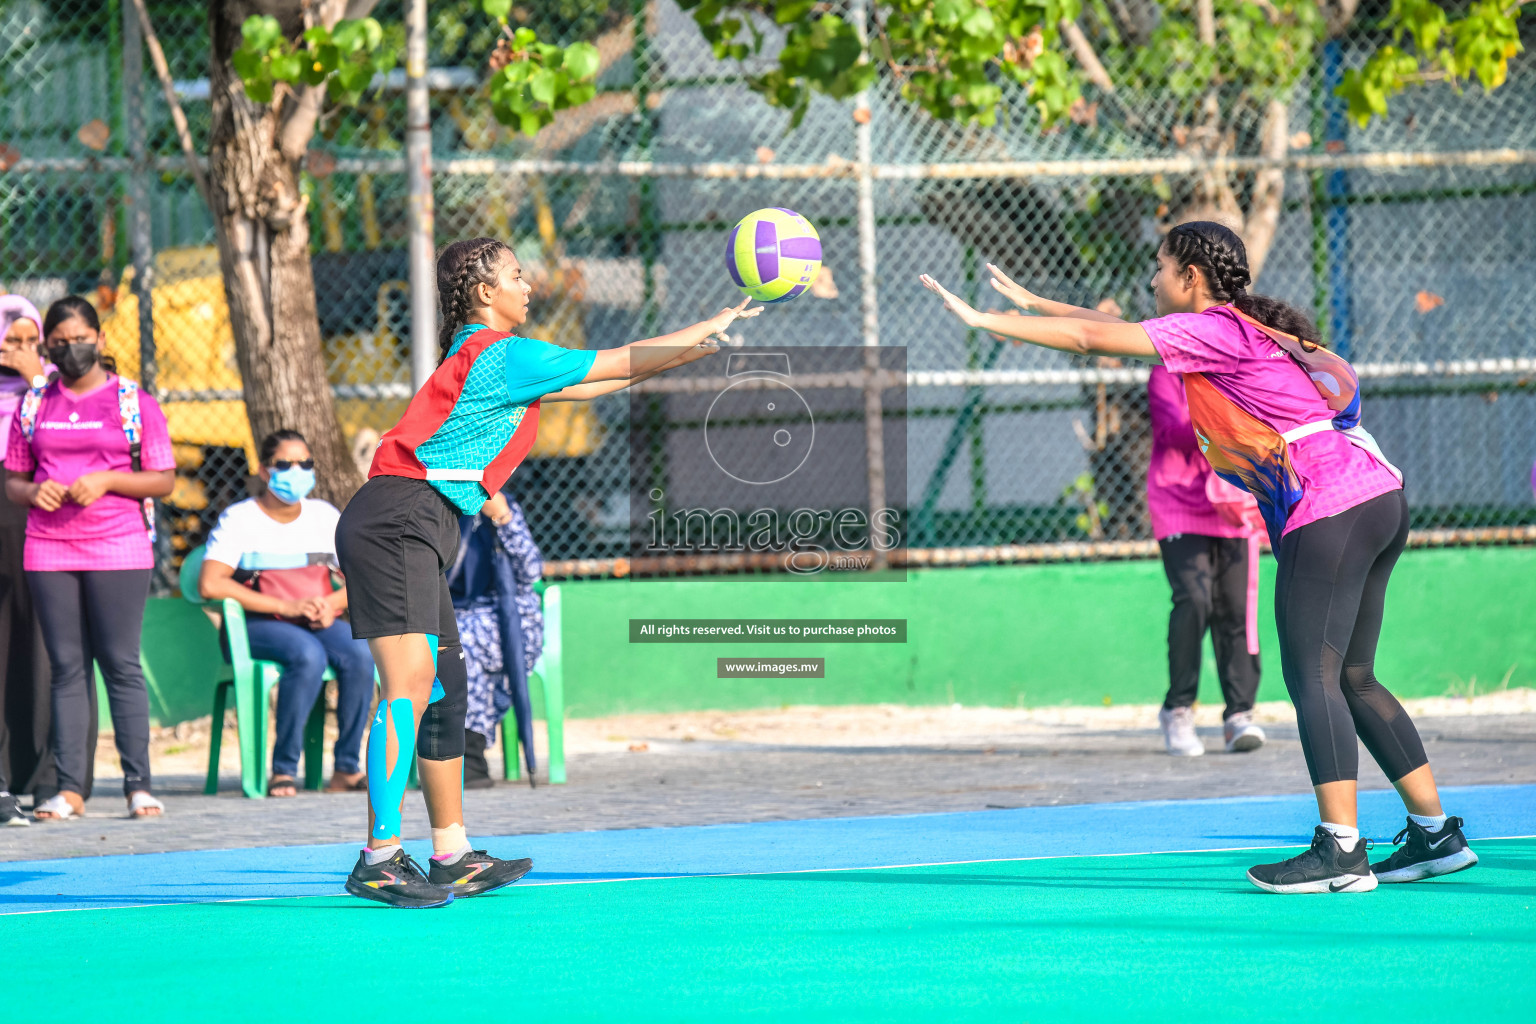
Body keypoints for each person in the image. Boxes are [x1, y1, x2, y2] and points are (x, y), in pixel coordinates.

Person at [920, 223, 1477, 894]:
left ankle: (1342, 850)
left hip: (1325, 505)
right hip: (1377, 494)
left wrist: (985, 320)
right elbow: (1117, 330)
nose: (1152, 281)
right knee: (1354, 676)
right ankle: (1434, 834)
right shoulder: (1252, 330)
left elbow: (1096, 340)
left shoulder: (1210, 329)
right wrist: (1034, 303)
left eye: (1160, 268)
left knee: (1315, 679)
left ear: (1190, 277)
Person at [336, 237, 758, 907]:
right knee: (411, 684)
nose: (528, 286)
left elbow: (611, 377)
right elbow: (616, 360)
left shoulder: (500, 359)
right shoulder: (502, 354)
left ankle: (451, 855)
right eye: (516, 275)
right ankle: (379, 858)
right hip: (398, 521)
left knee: (446, 690)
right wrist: (710, 322)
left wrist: (696, 347)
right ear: (483, 292)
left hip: (419, 523)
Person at [4, 295, 175, 820]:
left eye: (80, 340)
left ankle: (138, 783)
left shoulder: (132, 401)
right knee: (66, 668)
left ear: (100, 341)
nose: (70, 350)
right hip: (49, 547)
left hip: (119, 545)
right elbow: (13, 478)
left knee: (120, 664)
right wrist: (35, 493)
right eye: (59, 343)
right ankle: (70, 789)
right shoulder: (35, 403)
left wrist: (108, 480)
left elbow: (163, 479)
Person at [199, 430, 374, 797]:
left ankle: (346, 767)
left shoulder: (324, 516)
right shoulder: (240, 518)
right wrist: (285, 606)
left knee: (360, 654)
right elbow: (210, 584)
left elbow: (362, 579)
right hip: (258, 626)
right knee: (306, 656)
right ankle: (283, 769)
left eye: (305, 463)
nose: (296, 471)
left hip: (316, 621)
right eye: (284, 464)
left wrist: (332, 604)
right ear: (264, 471)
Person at [1146, 364, 1266, 756]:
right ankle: (1178, 708)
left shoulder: (1241, 368)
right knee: (1194, 599)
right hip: (1177, 500)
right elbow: (1173, 430)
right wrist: (1226, 420)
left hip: (1234, 500)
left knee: (1235, 606)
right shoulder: (1166, 373)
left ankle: (1239, 716)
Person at [0, 296, 58, 825]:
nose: (15, 351)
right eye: (7, 340)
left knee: (37, 647)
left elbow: (61, 434)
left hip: (39, 526)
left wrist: (34, 376)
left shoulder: (53, 389)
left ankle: (42, 779)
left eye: (27, 342)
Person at [447, 489, 544, 789]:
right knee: (455, 641)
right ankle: (458, 754)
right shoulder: (443, 508)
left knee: (464, 643)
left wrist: (502, 517)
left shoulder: (503, 506)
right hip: (458, 611)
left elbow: (531, 572)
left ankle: (470, 755)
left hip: (513, 615)